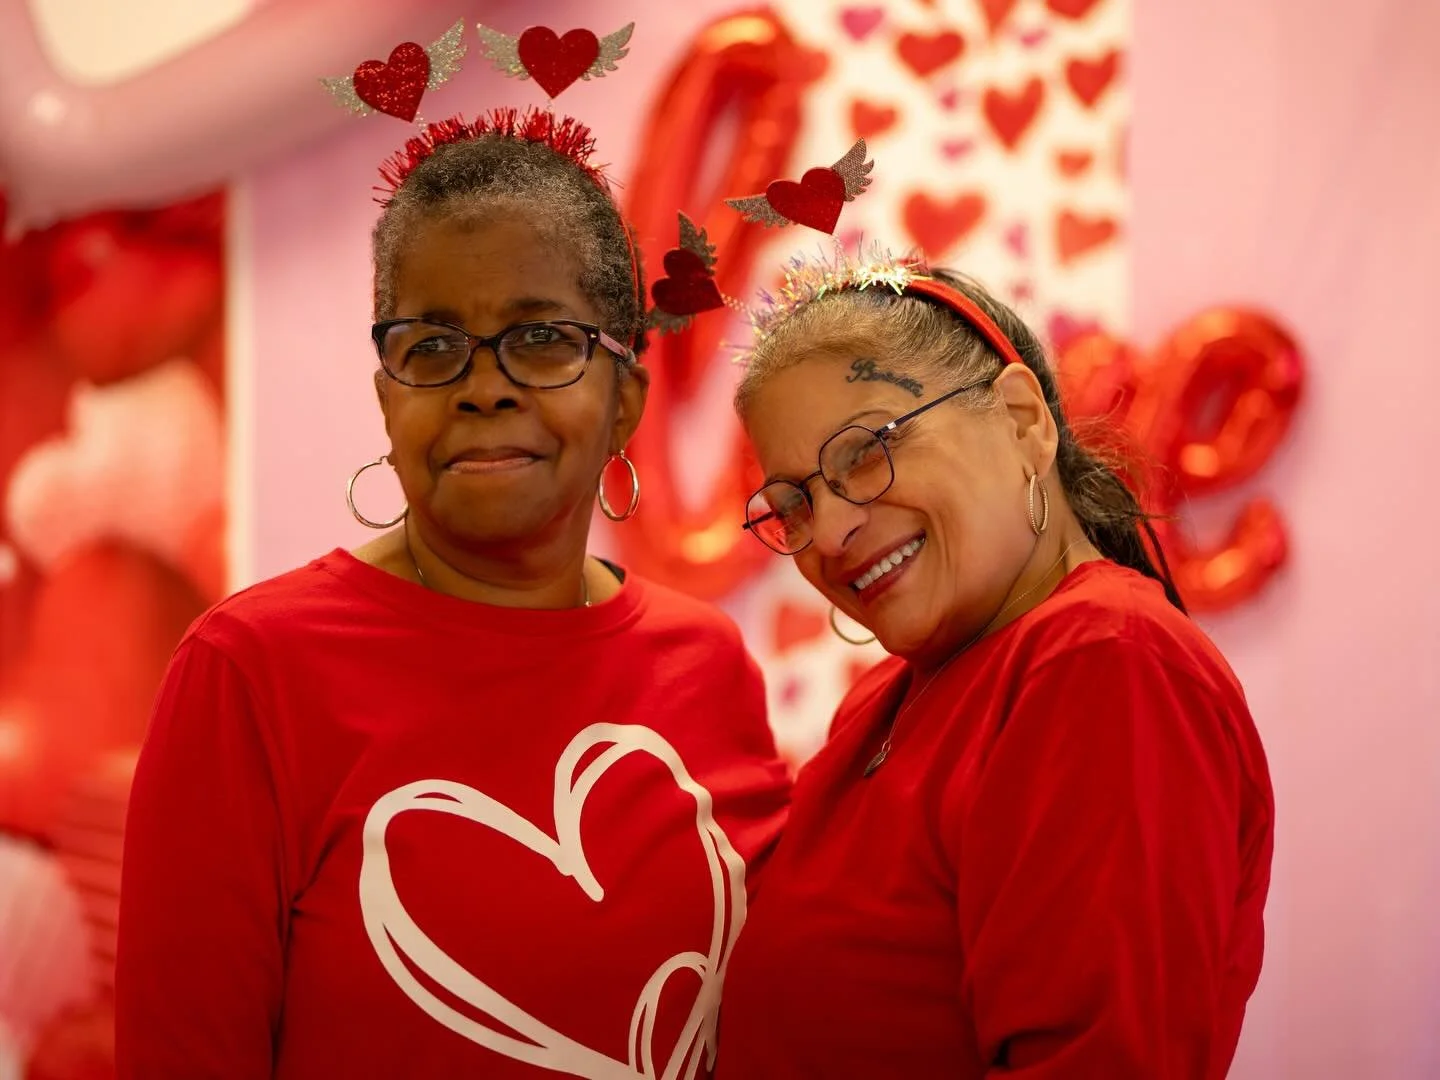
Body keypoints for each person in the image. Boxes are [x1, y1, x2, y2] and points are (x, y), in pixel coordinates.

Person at [114, 107, 790, 1079]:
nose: (483, 386)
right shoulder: (253, 671)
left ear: (624, 403)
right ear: (388, 398)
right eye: (431, 348)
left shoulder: (707, 663)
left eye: (541, 338)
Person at [715, 256, 1273, 1079]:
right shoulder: (885, 701)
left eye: (866, 453)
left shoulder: (1104, 662)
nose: (828, 534)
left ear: (1021, 422)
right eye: (795, 504)